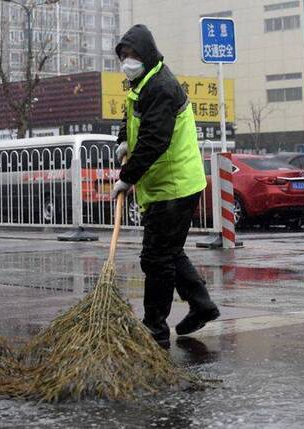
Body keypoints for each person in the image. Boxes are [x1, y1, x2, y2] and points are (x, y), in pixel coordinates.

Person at [112, 24, 219, 347]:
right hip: (166, 185)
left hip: (175, 185)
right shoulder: (143, 84)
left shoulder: (161, 87)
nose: (127, 61)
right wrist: (121, 141)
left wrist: (127, 178)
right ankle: (202, 306)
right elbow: (131, 120)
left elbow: (155, 140)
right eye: (123, 56)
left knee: (156, 258)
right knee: (168, 252)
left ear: (146, 53)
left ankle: (155, 328)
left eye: (131, 55)